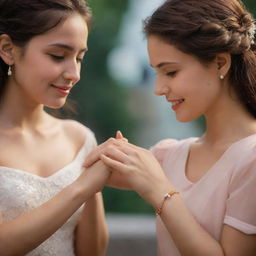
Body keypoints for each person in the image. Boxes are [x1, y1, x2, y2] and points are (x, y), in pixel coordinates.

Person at [84, 0, 256, 255]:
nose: (158, 89)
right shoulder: (169, 155)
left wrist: (160, 191)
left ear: (220, 63)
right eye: (156, 72)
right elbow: (85, 170)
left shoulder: (251, 158)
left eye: (171, 72)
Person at [0, 0, 110, 255]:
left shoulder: (78, 138)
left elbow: (91, 252)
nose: (74, 73)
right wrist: (81, 187)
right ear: (8, 49)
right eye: (58, 56)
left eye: (79, 58)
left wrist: (94, 185)